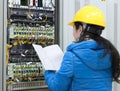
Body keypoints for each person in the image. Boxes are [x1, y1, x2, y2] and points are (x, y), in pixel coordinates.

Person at [44, 5, 120, 91]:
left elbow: (57, 87)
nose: (73, 32)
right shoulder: (110, 53)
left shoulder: (72, 56)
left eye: (73, 28)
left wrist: (48, 70)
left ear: (80, 29)